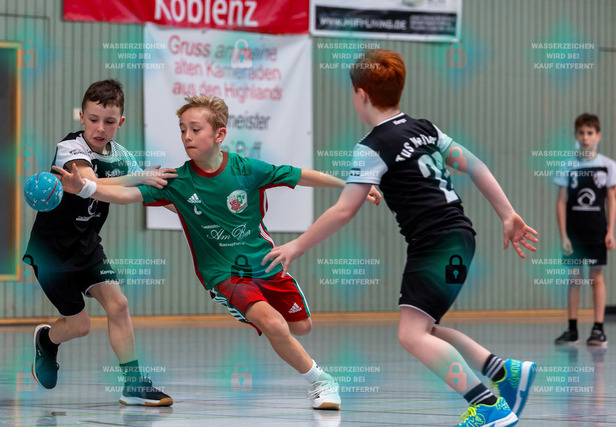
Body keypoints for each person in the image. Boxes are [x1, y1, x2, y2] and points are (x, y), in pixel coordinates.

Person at [262, 50, 539, 426]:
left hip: (435, 245)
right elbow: (474, 165)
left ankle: (487, 404)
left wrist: (296, 245)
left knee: (412, 335)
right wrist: (507, 214)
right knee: (424, 330)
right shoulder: (425, 128)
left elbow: (344, 210)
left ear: (360, 95)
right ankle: (504, 372)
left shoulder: (372, 146)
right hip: (460, 237)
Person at [52, 94, 382, 410]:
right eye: (183, 130)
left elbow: (301, 175)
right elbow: (126, 196)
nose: (187, 136)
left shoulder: (246, 169)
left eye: (195, 129)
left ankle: (267, 323)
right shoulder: (178, 181)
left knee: (301, 327)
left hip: (266, 265)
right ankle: (322, 382)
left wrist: (350, 187)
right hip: (224, 275)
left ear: (219, 134)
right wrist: (85, 188)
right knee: (273, 324)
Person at [23, 79, 176, 406]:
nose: (100, 128)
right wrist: (140, 177)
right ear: (82, 117)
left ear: (121, 122)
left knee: (119, 305)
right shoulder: (71, 148)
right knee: (80, 326)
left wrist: (194, 210)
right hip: (51, 252)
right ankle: (47, 341)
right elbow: (91, 183)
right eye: (93, 119)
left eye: (109, 121)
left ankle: (133, 385)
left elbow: (149, 192)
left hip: (88, 245)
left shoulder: (121, 157)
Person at [554, 113, 615, 347]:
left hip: (597, 232)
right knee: (574, 278)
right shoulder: (567, 165)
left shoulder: (608, 166)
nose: (585, 137)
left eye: (590, 133)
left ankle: (598, 329)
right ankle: (572, 329)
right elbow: (561, 202)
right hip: (574, 234)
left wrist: (610, 231)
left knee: (596, 278)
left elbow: (612, 200)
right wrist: (563, 236)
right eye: (581, 133)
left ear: (598, 136)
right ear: (575, 135)